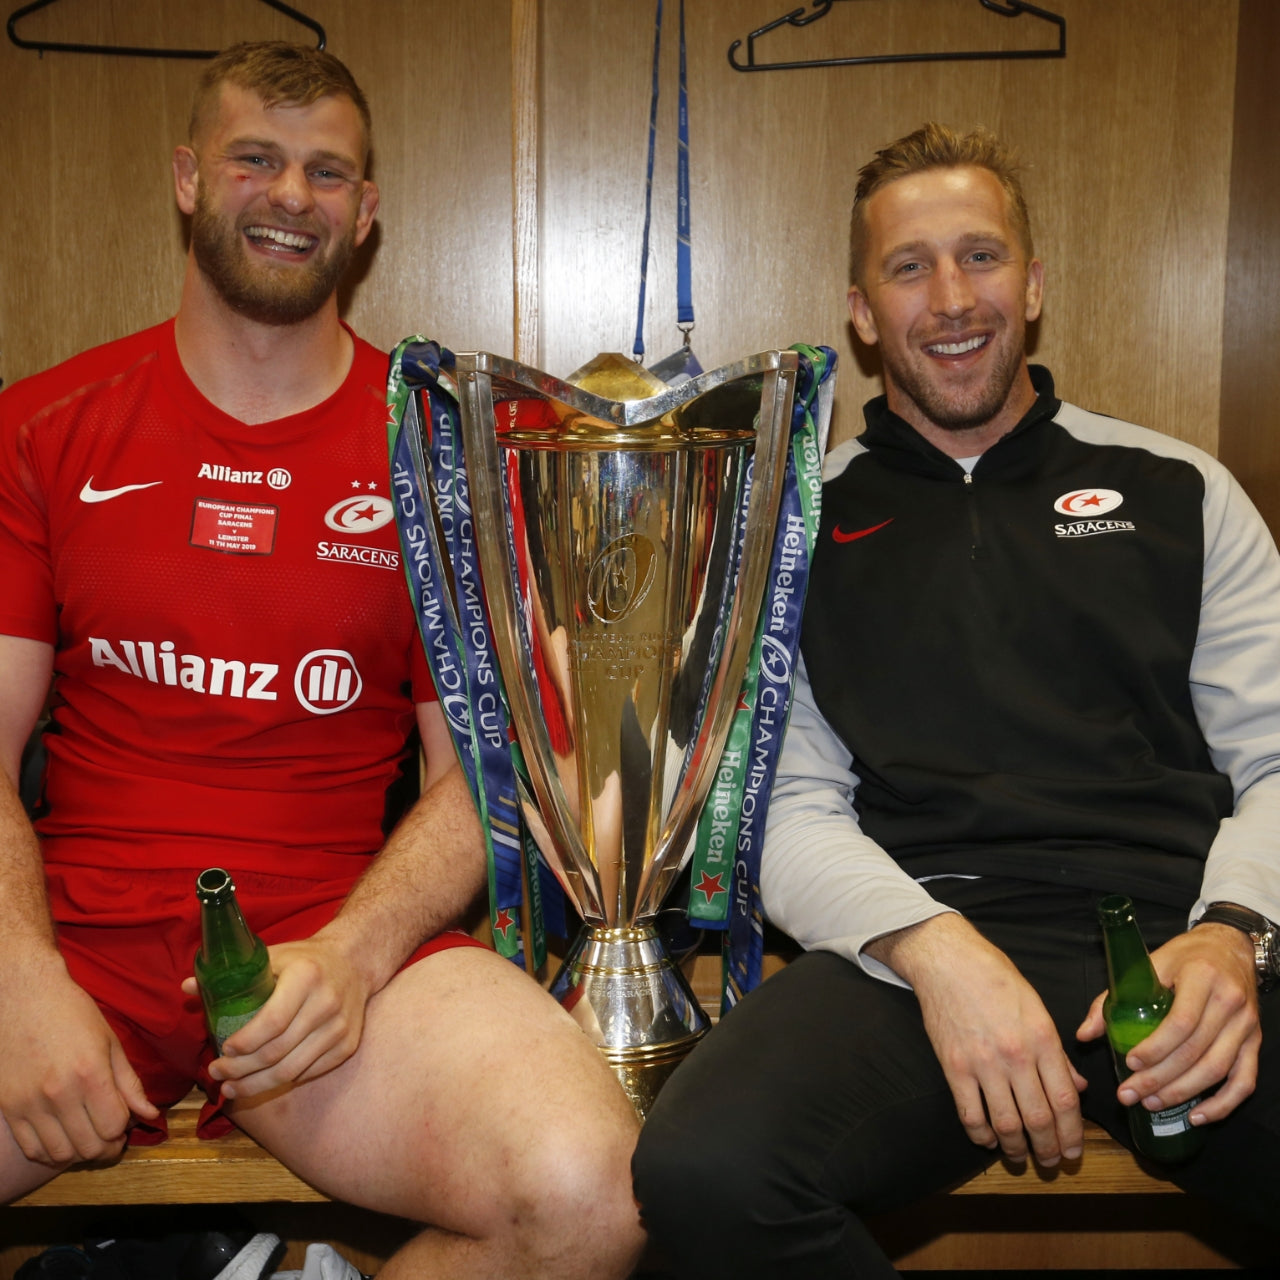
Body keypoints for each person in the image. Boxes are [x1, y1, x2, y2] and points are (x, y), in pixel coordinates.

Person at [0, 42, 645, 1280]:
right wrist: (21, 977)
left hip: (327, 943)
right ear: (190, 178)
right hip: (71, 937)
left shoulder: (443, 452)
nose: (291, 194)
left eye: (327, 171)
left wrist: (355, 953)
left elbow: (489, 774)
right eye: (257, 158)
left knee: (589, 1195)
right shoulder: (44, 423)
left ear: (368, 209)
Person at [632, 122, 1280, 1277]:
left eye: (979, 257)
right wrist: (935, 950)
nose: (948, 297)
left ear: (1031, 287)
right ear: (860, 311)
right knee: (706, 1173)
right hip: (915, 939)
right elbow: (786, 806)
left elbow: (1275, 757)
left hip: (1174, 939)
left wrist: (1233, 940)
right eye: (906, 266)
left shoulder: (1181, 488)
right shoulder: (793, 525)